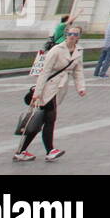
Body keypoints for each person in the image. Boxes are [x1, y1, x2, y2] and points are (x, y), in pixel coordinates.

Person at [14, 25, 86, 162]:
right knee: (50, 119)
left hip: (59, 88)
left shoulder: (79, 50)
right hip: (48, 88)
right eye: (70, 33)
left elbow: (78, 70)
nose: (72, 36)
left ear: (79, 37)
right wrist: (37, 93)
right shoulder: (56, 50)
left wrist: (80, 88)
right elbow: (44, 72)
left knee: (40, 121)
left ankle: (21, 151)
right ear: (66, 35)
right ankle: (50, 150)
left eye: (76, 34)